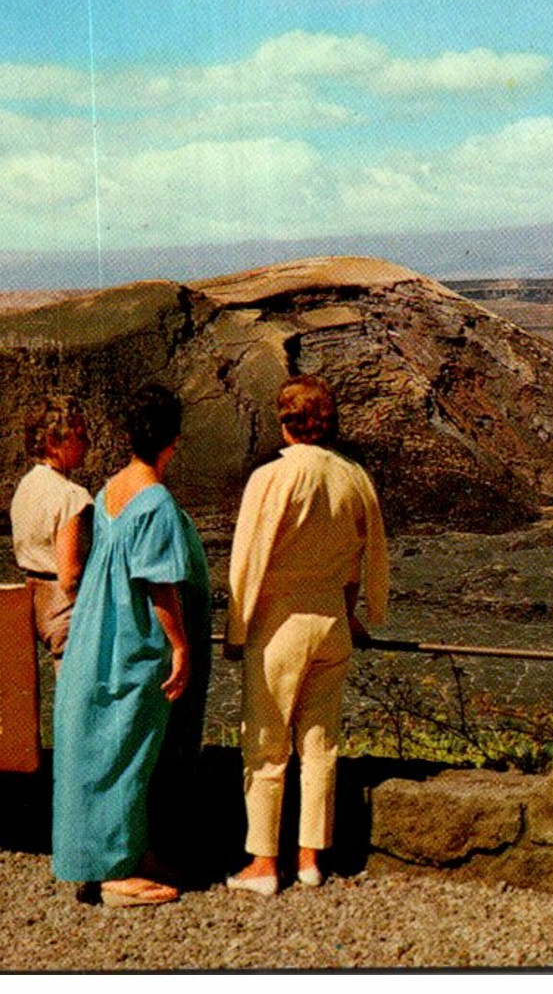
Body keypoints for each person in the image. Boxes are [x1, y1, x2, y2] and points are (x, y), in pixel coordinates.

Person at [224, 375, 388, 895]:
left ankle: (263, 864)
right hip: (332, 623)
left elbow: (247, 559)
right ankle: (311, 858)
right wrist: (359, 611)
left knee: (266, 746)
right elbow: (367, 558)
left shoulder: (271, 478)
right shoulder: (354, 478)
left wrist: (236, 626)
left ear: (284, 421)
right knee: (321, 744)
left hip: (279, 626)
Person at [51, 384, 210, 907]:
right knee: (126, 748)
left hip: (96, 631)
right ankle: (115, 872)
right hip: (134, 638)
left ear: (126, 437)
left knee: (105, 742)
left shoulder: (109, 488)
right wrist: (181, 644)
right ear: (175, 441)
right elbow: (158, 582)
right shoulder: (156, 501)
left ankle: (127, 851)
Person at [9, 395, 92, 673]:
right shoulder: (71, 496)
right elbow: (70, 575)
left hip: (32, 600)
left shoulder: (25, 487)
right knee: (78, 698)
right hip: (64, 607)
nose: (88, 444)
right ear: (53, 443)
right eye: (79, 436)